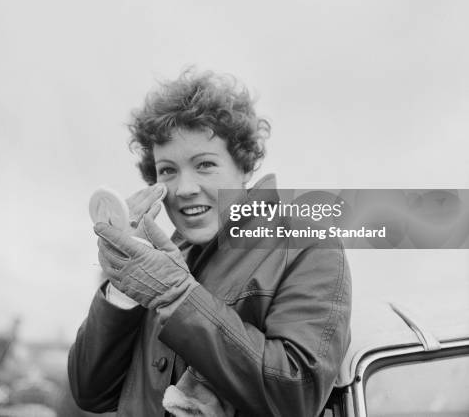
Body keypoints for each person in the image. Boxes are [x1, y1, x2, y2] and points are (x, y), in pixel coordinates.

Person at [68, 70, 352, 416]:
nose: (185, 188)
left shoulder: (307, 244)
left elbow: (297, 395)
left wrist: (177, 296)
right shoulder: (153, 257)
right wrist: (122, 290)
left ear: (244, 166)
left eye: (204, 164)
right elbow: (90, 392)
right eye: (168, 170)